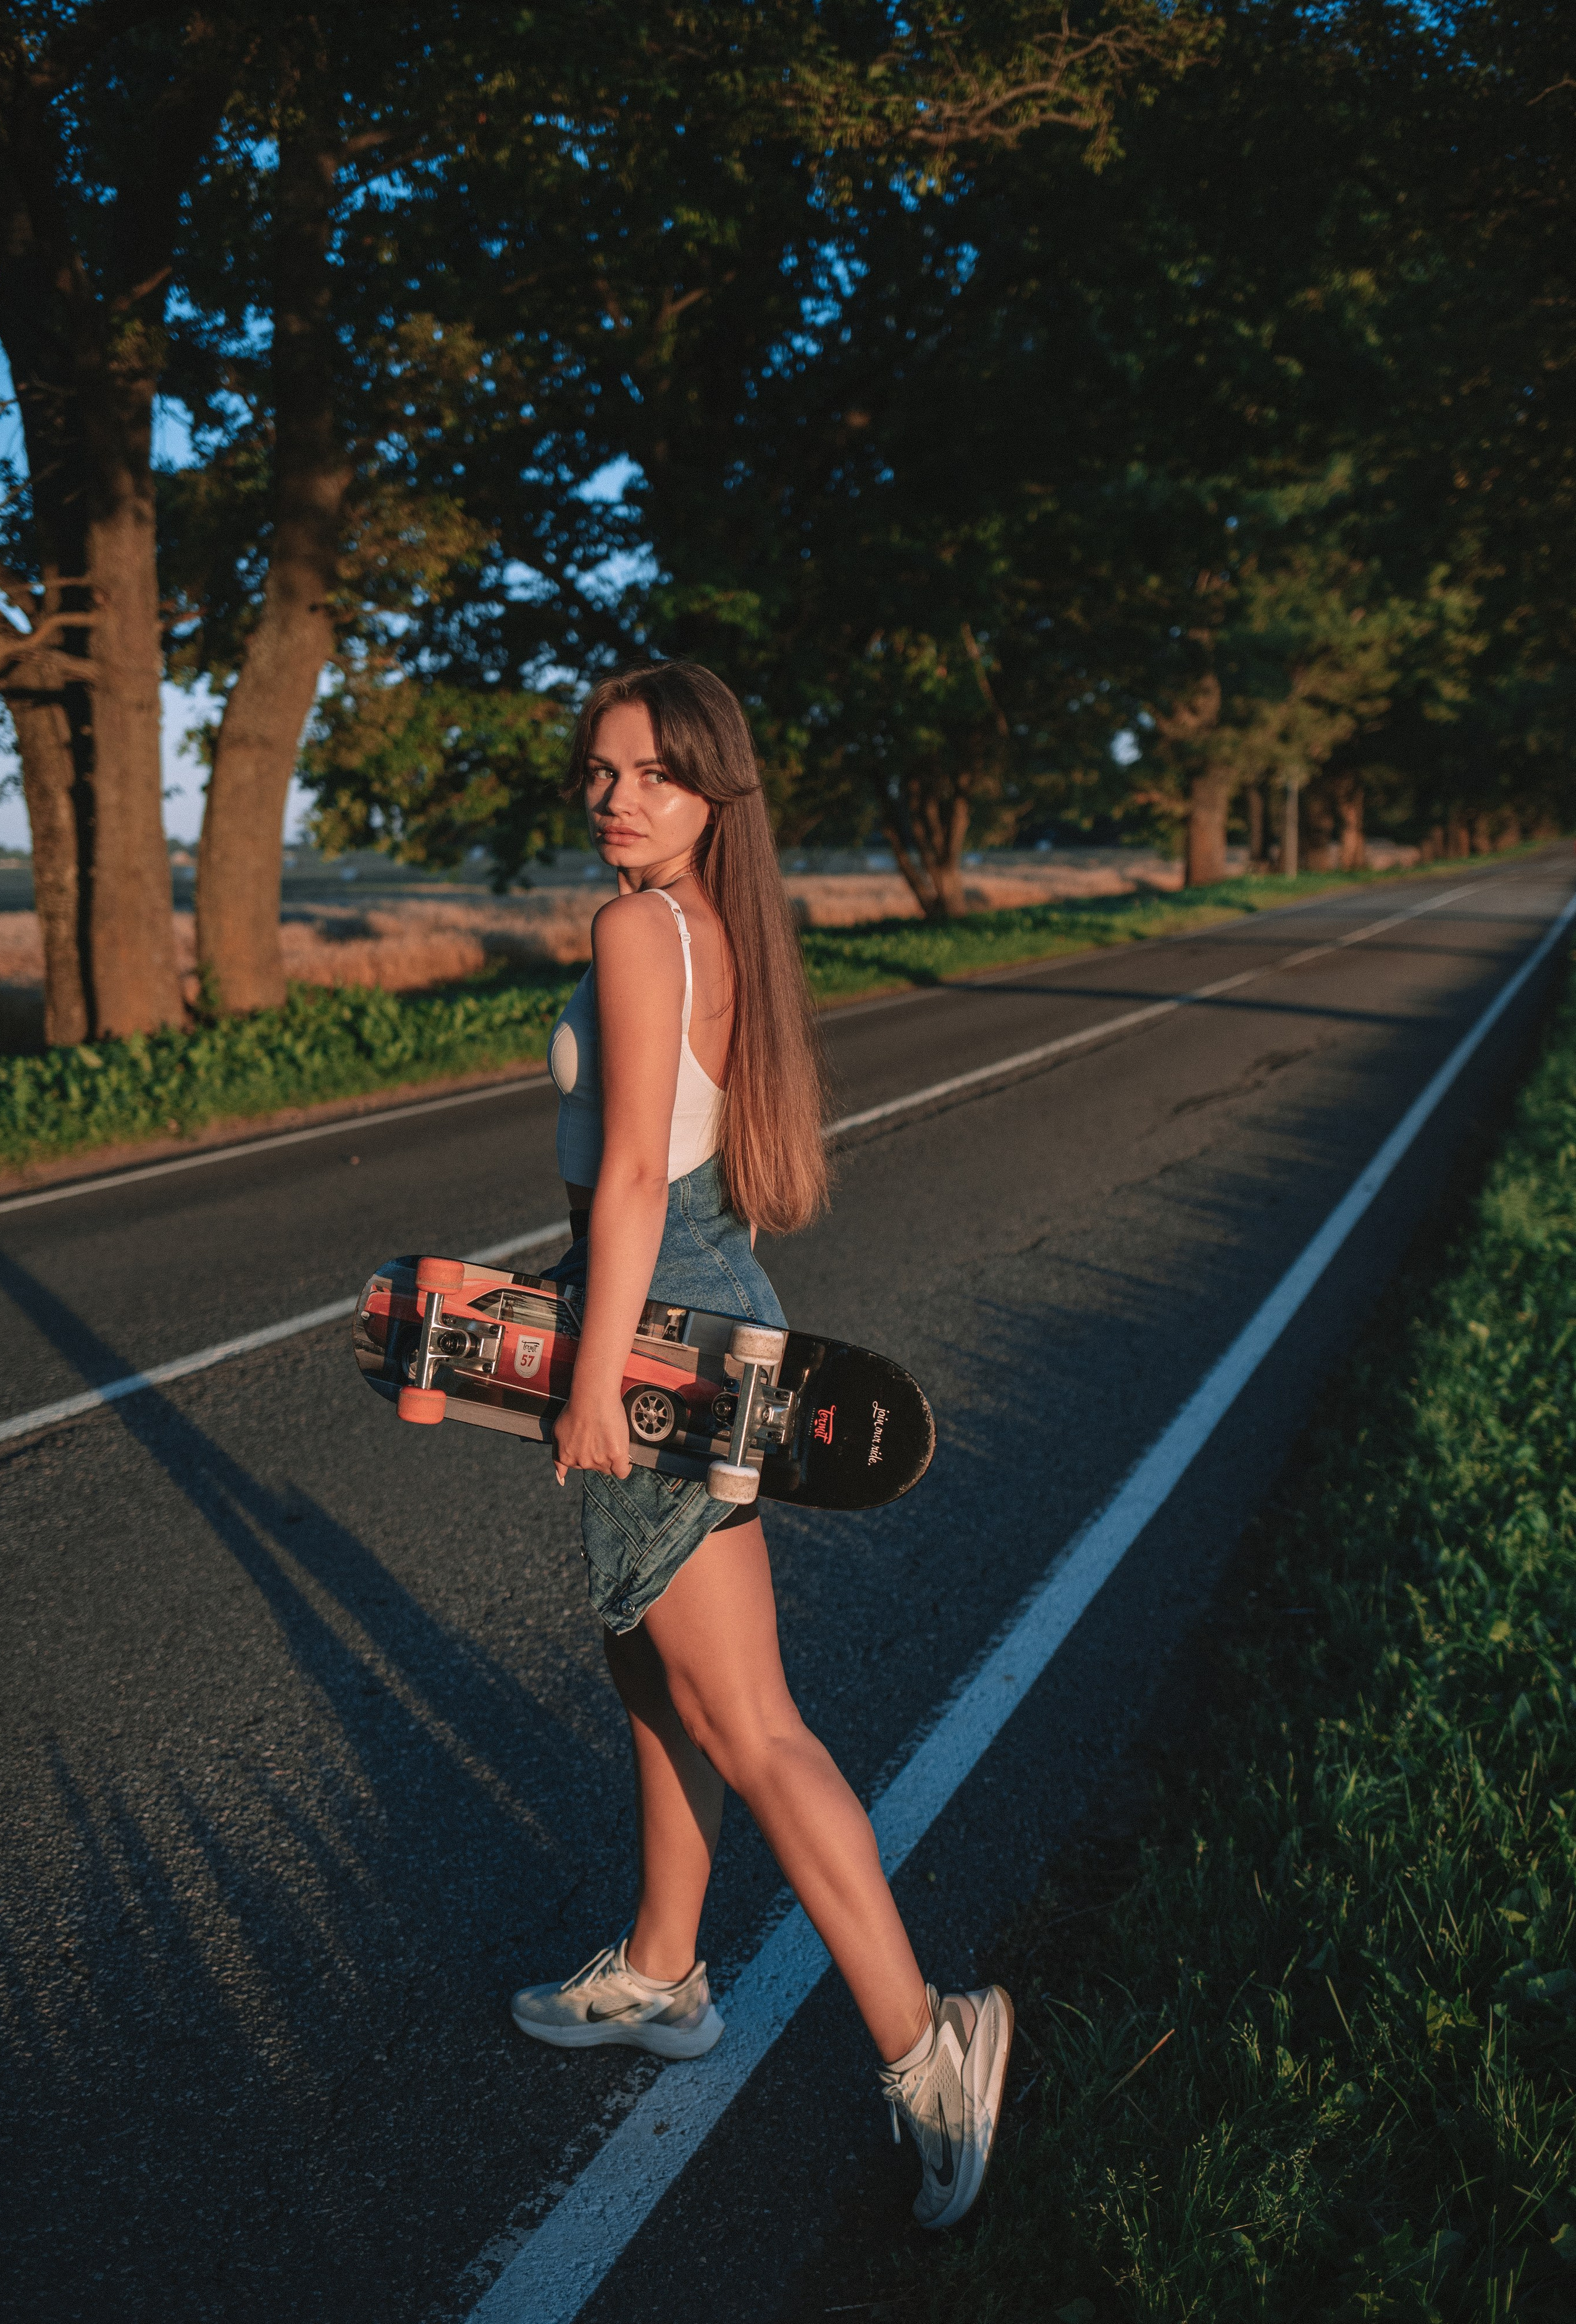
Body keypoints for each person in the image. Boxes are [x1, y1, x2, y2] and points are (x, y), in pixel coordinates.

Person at [509, 661, 1012, 2229]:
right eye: (598, 772)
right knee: (646, 1666)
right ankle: (664, 1968)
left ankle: (929, 2051)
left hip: (657, 1324)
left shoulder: (636, 928)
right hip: (698, 1302)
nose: (614, 800)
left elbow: (636, 1195)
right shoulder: (710, 925)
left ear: (712, 791)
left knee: (748, 1720)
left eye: (650, 775)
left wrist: (594, 1381)